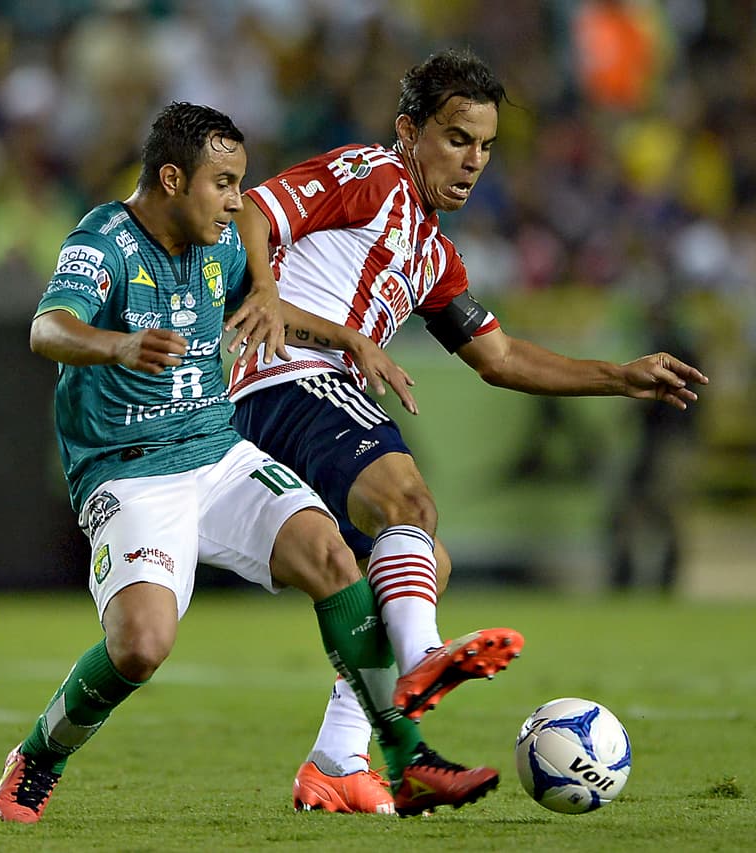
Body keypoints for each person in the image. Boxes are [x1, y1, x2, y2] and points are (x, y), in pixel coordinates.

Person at [0, 101, 502, 824]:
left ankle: (407, 758)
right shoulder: (104, 238)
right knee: (141, 645)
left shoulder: (220, 244)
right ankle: (40, 753)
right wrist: (117, 346)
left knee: (333, 558)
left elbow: (271, 309)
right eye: (224, 183)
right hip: (129, 470)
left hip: (217, 452)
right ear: (172, 178)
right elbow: (48, 326)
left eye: (241, 183)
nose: (238, 201)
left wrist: (346, 338)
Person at [228, 48, 709, 813]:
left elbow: (501, 354)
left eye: (485, 146)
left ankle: (336, 758)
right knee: (409, 503)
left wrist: (619, 376)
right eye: (456, 139)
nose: (473, 161)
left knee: (423, 567)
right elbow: (256, 208)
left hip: (299, 396)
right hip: (285, 375)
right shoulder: (373, 175)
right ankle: (424, 663)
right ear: (409, 131)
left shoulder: (430, 252)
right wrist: (263, 293)